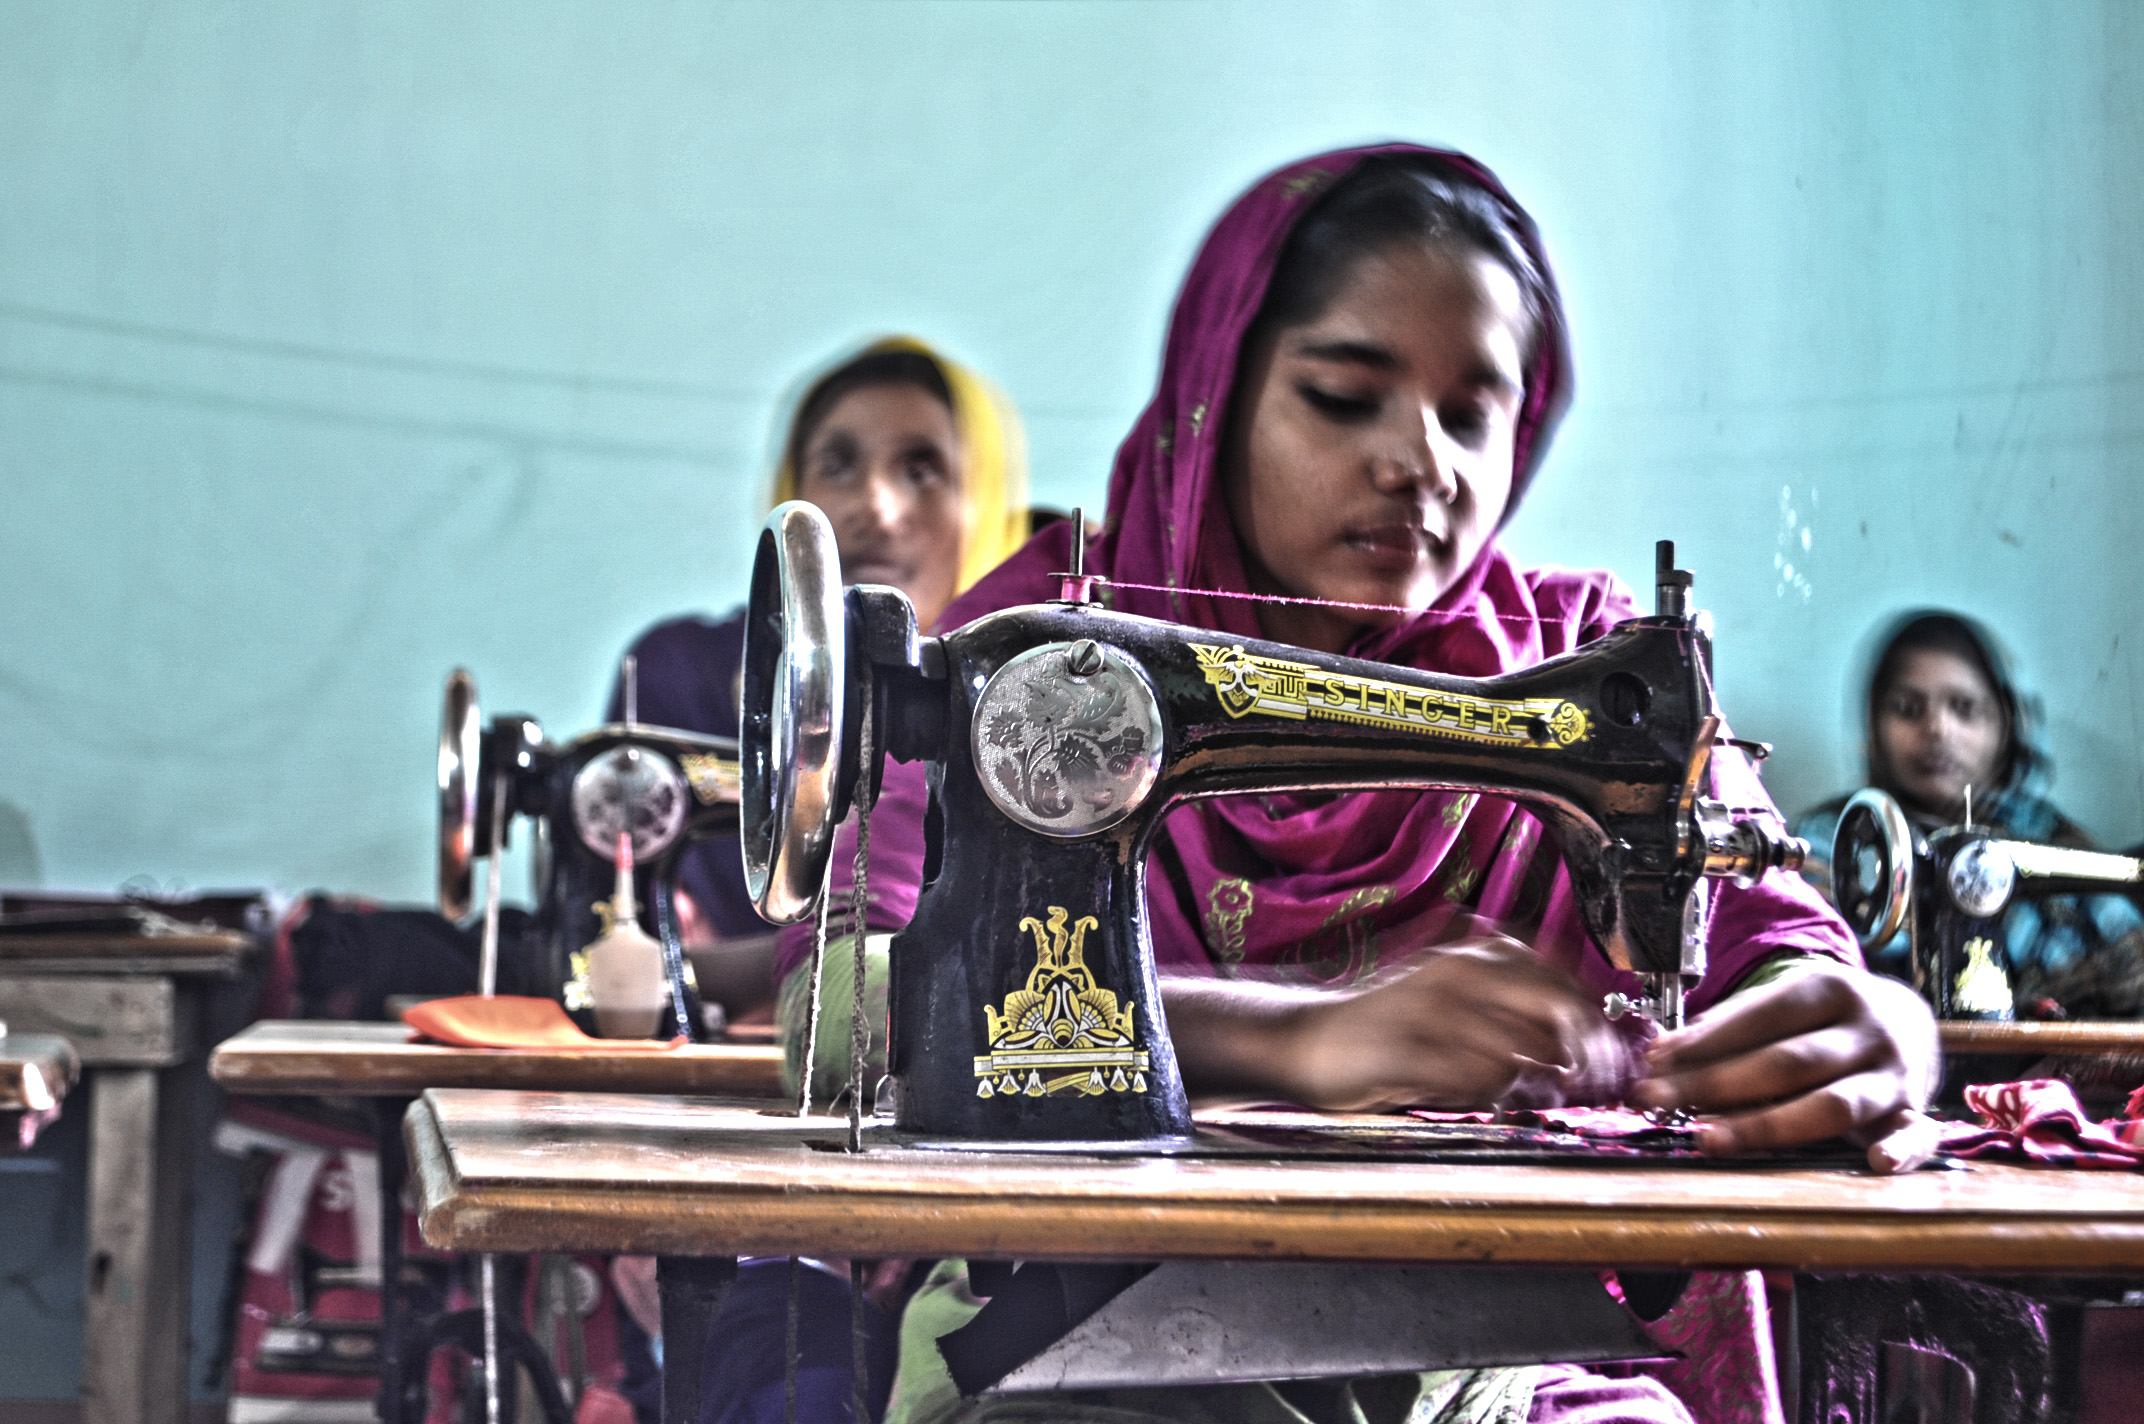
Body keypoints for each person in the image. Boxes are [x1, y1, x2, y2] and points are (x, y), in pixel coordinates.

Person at [781, 146, 1940, 1424]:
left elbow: (1770, 929)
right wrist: (1295, 1038)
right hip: (1081, 1316)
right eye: (1343, 397)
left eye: (1471, 416)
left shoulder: (1582, 656)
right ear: (1215, 397)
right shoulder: (1041, 657)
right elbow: (836, 1012)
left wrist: (1847, 1015)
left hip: (1503, 1330)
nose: (1420, 461)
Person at [605, 335, 1029, 1017]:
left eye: (922, 471)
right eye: (838, 465)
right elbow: (627, 957)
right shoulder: (680, 674)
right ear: (792, 493)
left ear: (983, 504)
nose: (877, 507)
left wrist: (745, 968)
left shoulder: (1024, 707)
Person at [1792, 611, 2144, 1020]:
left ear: (2006, 726)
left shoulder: (2052, 839)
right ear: (1874, 725)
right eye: (1907, 709)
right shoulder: (1826, 843)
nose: (1937, 729)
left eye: (1964, 708)